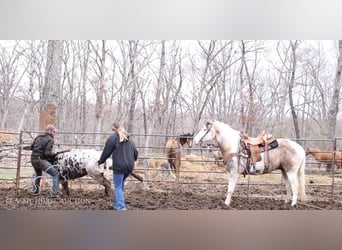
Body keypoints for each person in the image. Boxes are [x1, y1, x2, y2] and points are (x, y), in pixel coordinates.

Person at [98, 122, 138, 210]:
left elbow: (106, 152)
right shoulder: (129, 139)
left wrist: (100, 161)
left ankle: (121, 207)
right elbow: (136, 153)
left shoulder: (112, 138)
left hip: (120, 166)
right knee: (120, 184)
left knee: (118, 187)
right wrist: (131, 160)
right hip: (129, 167)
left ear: (113, 129)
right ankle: (116, 204)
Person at [30, 124, 59, 198]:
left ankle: (35, 191)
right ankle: (54, 193)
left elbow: (31, 147)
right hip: (40, 160)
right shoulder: (50, 140)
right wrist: (54, 153)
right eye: (54, 132)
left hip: (33, 159)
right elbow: (47, 153)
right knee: (55, 174)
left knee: (38, 174)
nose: (54, 133)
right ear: (50, 131)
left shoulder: (38, 137)